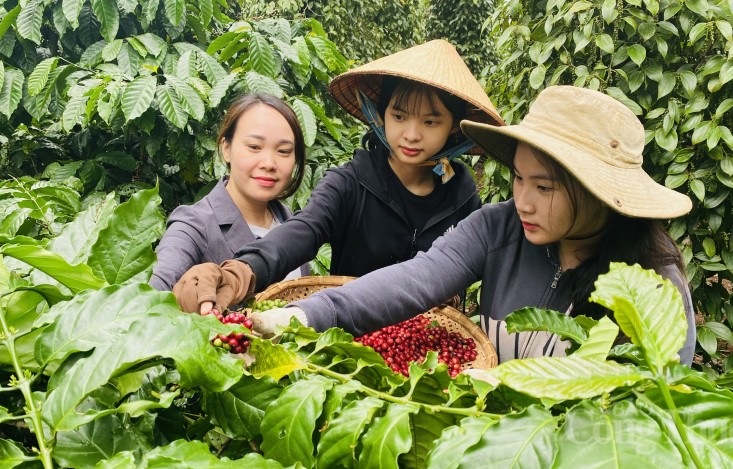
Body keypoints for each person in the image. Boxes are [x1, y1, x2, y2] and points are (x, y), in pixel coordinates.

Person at [247, 85, 698, 365]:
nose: (523, 200)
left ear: (599, 191)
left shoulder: (654, 288)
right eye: (519, 178)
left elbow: (650, 410)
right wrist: (305, 315)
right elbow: (414, 279)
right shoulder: (498, 227)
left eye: (544, 188)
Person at [172, 39, 504, 314]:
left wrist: (454, 296)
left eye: (431, 122)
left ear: (452, 130)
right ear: (381, 115)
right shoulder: (349, 183)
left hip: (428, 345)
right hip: (348, 339)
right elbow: (302, 231)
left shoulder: (461, 193)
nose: (411, 135)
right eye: (399, 116)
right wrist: (241, 272)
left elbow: (467, 265)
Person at [149, 93, 309, 292]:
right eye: (254, 147)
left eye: (283, 151)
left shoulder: (292, 223)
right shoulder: (194, 225)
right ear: (226, 148)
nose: (269, 163)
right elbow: (152, 292)